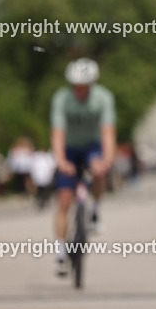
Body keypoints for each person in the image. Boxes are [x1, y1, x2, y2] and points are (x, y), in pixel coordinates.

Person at [50, 58, 116, 277]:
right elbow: (58, 133)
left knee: (98, 170)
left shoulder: (103, 98)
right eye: (75, 87)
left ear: (91, 85)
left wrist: (107, 159)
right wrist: (60, 161)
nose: (79, 92)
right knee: (65, 200)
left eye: (83, 87)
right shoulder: (61, 99)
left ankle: (95, 210)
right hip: (69, 148)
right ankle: (60, 253)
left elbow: (107, 131)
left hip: (91, 146)